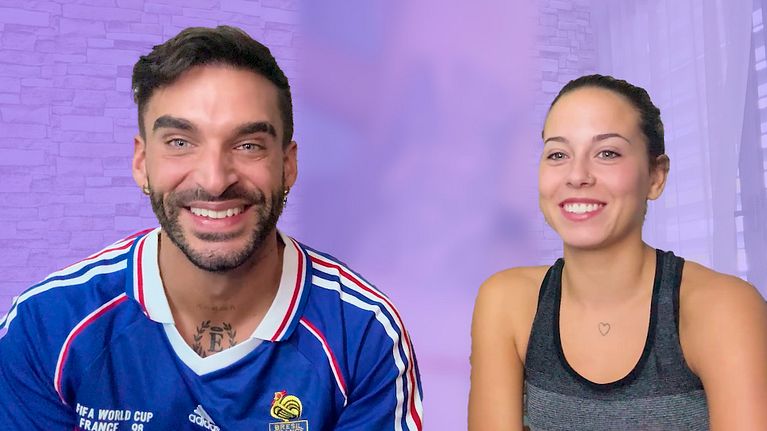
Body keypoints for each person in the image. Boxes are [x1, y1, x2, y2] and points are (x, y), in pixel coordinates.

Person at [0, 26, 422, 431]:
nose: (216, 180)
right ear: (142, 163)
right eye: (180, 143)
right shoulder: (46, 325)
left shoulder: (363, 334)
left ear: (288, 164)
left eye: (248, 145)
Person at [468, 74, 767, 430]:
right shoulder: (505, 302)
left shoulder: (725, 308)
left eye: (607, 153)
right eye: (558, 154)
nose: (577, 175)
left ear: (656, 176)